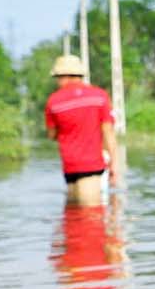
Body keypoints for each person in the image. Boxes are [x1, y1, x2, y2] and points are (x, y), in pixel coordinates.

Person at [44, 55, 119, 207]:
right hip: (92, 166)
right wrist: (114, 166)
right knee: (91, 218)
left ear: (63, 77)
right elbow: (108, 133)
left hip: (69, 166)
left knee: (72, 215)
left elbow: (52, 135)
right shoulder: (99, 96)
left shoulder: (54, 101)